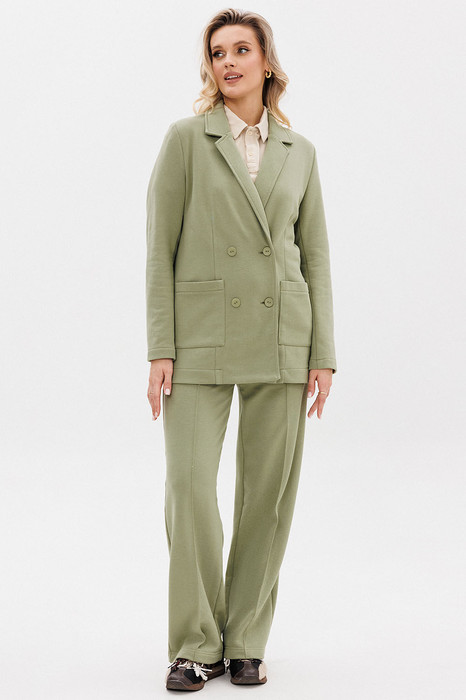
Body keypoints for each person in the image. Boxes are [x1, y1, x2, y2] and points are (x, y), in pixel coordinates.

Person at [145, 8, 337, 691]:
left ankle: (247, 639)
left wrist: (323, 353)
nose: (227, 62)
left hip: (283, 335)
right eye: (217, 52)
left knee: (268, 498)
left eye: (240, 50)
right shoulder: (186, 139)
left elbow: (315, 256)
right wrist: (160, 346)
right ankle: (196, 643)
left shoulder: (299, 151)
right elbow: (159, 248)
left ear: (266, 61)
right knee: (190, 488)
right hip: (200, 334)